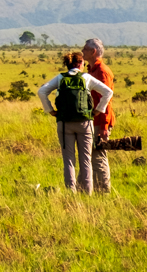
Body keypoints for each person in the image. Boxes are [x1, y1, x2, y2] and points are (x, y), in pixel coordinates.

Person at [37, 50, 113, 193]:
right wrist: (98, 110)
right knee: (86, 160)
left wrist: (51, 110)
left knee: (69, 160)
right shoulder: (86, 78)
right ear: (79, 64)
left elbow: (42, 92)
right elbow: (108, 92)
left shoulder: (60, 78)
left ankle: (70, 193)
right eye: (83, 63)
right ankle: (87, 193)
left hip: (64, 123)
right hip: (85, 122)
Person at [83, 38, 115, 194]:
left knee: (98, 157)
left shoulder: (101, 71)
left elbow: (106, 100)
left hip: (100, 122)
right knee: (90, 157)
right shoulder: (91, 70)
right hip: (93, 121)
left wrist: (103, 126)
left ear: (93, 52)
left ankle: (103, 192)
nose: (82, 51)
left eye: (85, 49)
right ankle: (88, 190)